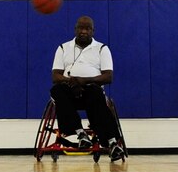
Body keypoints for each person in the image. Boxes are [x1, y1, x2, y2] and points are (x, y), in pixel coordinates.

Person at [51, 15, 124, 161]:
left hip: (92, 92)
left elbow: (108, 76)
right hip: (68, 92)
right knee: (57, 90)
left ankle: (111, 143)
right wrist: (71, 82)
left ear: (93, 31)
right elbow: (55, 76)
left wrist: (83, 81)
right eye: (81, 28)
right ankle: (81, 134)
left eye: (87, 28)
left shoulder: (102, 49)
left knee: (95, 92)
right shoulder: (63, 48)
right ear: (75, 29)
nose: (84, 31)